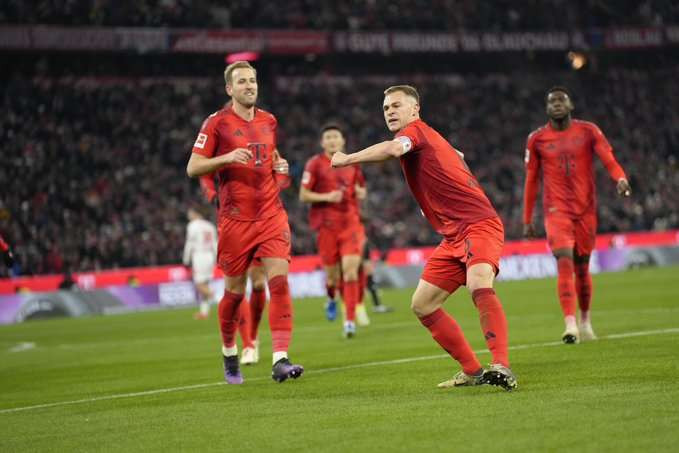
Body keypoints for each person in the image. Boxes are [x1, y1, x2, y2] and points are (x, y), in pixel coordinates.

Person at [331, 85, 516, 391]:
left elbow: (392, 150)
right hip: (453, 233)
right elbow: (458, 155)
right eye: (386, 107)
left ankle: (502, 366)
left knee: (479, 283)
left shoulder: (413, 133)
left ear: (414, 109)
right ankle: (472, 371)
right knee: (423, 304)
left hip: (477, 225)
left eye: (396, 105)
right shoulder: (427, 136)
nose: (389, 111)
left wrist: (347, 158)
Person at [186, 60, 303, 384]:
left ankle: (280, 358)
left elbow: (270, 161)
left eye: (252, 80)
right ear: (229, 89)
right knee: (235, 292)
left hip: (270, 215)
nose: (249, 85)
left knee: (278, 281)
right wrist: (225, 158)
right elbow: (193, 167)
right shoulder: (216, 124)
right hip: (235, 221)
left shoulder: (269, 121)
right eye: (242, 82)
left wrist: (281, 173)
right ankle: (229, 350)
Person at [522, 86, 631, 344]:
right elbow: (531, 180)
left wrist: (620, 178)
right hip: (555, 210)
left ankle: (585, 322)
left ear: (570, 106)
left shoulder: (588, 131)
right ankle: (569, 324)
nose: (557, 104)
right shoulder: (536, 139)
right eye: (552, 101)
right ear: (547, 108)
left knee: (582, 269)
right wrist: (527, 218)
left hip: (585, 211)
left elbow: (609, 159)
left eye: (562, 100)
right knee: (564, 261)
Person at [300, 124, 371, 337]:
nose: (332, 140)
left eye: (335, 137)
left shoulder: (353, 163)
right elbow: (303, 195)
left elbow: (362, 189)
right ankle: (331, 297)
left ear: (342, 141)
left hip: (351, 224)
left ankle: (349, 321)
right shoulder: (315, 164)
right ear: (323, 143)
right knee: (333, 278)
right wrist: (326, 197)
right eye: (328, 137)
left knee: (350, 272)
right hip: (327, 228)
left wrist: (360, 192)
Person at [200, 174, 268, 365]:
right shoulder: (219, 148)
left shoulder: (258, 145)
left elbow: (275, 170)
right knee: (236, 289)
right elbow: (203, 175)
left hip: (259, 221)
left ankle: (253, 337)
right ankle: (248, 345)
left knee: (259, 283)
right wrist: (213, 195)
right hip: (231, 224)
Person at [182, 206, 218, 320]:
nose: (189, 215)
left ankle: (218, 298)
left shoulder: (192, 225)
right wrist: (217, 257)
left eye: (190, 212)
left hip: (199, 255)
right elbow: (215, 244)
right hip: (210, 256)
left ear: (195, 213)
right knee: (205, 284)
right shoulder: (210, 225)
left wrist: (186, 260)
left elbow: (190, 243)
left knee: (199, 284)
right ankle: (204, 312)